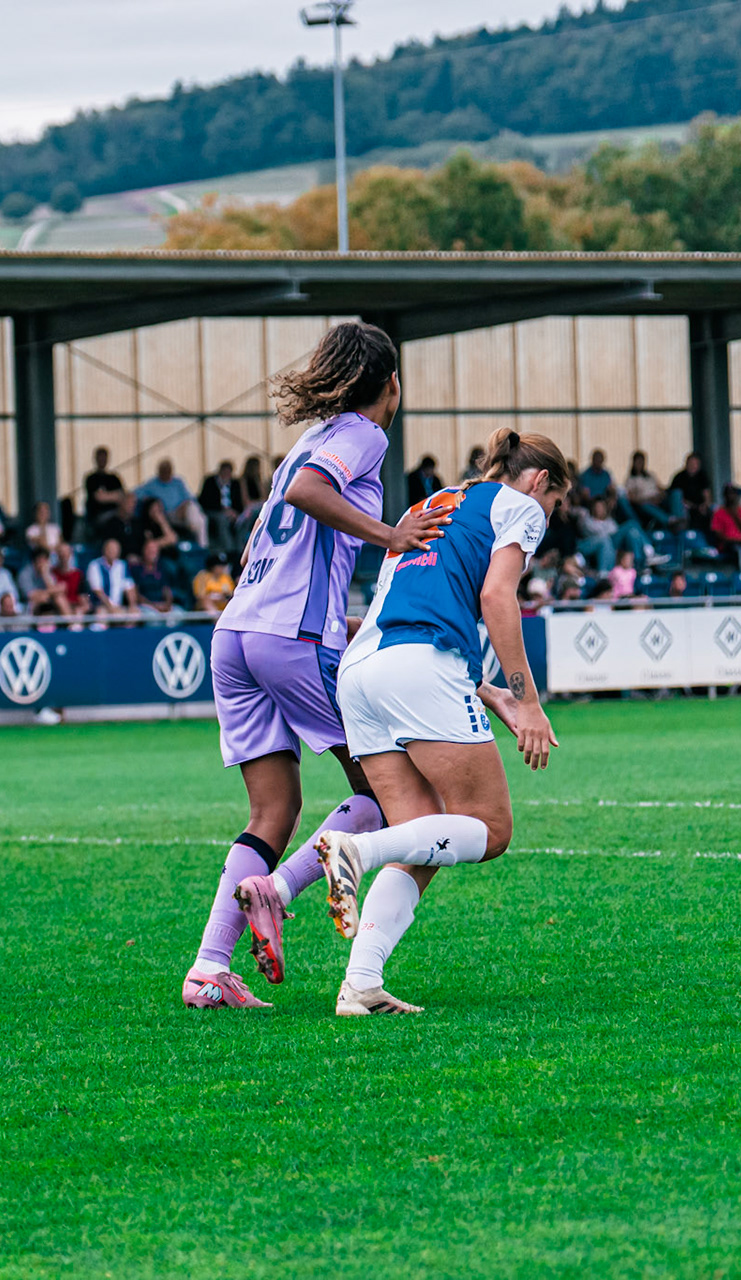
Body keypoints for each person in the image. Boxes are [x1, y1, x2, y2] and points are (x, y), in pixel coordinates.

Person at [185, 320, 449, 1010]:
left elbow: (262, 547)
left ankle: (210, 968)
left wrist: (339, 619)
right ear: (391, 383)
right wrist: (391, 535)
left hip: (239, 632)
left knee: (274, 809)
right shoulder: (363, 435)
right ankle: (280, 890)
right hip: (289, 637)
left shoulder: (310, 438)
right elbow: (307, 494)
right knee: (388, 793)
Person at [317, 429, 569, 1015]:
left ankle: (361, 984)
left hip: (362, 673)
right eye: (554, 503)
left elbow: (410, 604)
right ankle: (357, 850)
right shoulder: (519, 507)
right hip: (420, 668)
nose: (547, 516)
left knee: (427, 837)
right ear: (538, 482)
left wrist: (487, 692)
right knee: (491, 828)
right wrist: (525, 698)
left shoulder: (425, 505)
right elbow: (497, 598)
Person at [135, 459, 204, 546]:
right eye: (163, 471)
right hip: (164, 513)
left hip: (179, 512)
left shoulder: (178, 482)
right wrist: (145, 498)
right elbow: (136, 493)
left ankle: (202, 546)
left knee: (196, 513)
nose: (166, 473)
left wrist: (184, 505)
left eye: (168, 471)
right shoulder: (152, 484)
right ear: (159, 471)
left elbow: (190, 498)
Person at [85, 538, 136, 616]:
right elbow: (97, 591)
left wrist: (132, 606)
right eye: (110, 549)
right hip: (101, 607)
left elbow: (130, 587)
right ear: (104, 550)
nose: (113, 551)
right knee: (101, 614)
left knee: (135, 614)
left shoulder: (122, 565)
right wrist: (111, 607)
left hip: (118, 607)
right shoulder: (94, 565)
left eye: (116, 549)